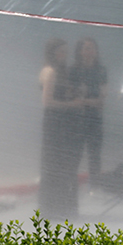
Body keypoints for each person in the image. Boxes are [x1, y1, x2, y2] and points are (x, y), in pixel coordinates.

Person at [38, 38, 84, 220]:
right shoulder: (50, 72)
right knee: (58, 165)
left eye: (66, 52)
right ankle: (57, 208)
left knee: (57, 165)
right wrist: (72, 104)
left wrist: (70, 95)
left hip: (58, 124)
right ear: (53, 52)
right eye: (61, 52)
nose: (65, 56)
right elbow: (47, 102)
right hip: (57, 125)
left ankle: (57, 207)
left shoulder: (54, 70)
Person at [69, 37, 107, 189]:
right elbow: (72, 95)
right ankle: (71, 184)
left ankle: (95, 185)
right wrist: (89, 101)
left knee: (95, 154)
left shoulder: (101, 70)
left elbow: (103, 97)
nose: (90, 52)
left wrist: (85, 100)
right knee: (75, 153)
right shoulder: (73, 70)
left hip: (95, 118)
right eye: (86, 48)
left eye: (93, 48)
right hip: (77, 118)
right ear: (79, 51)